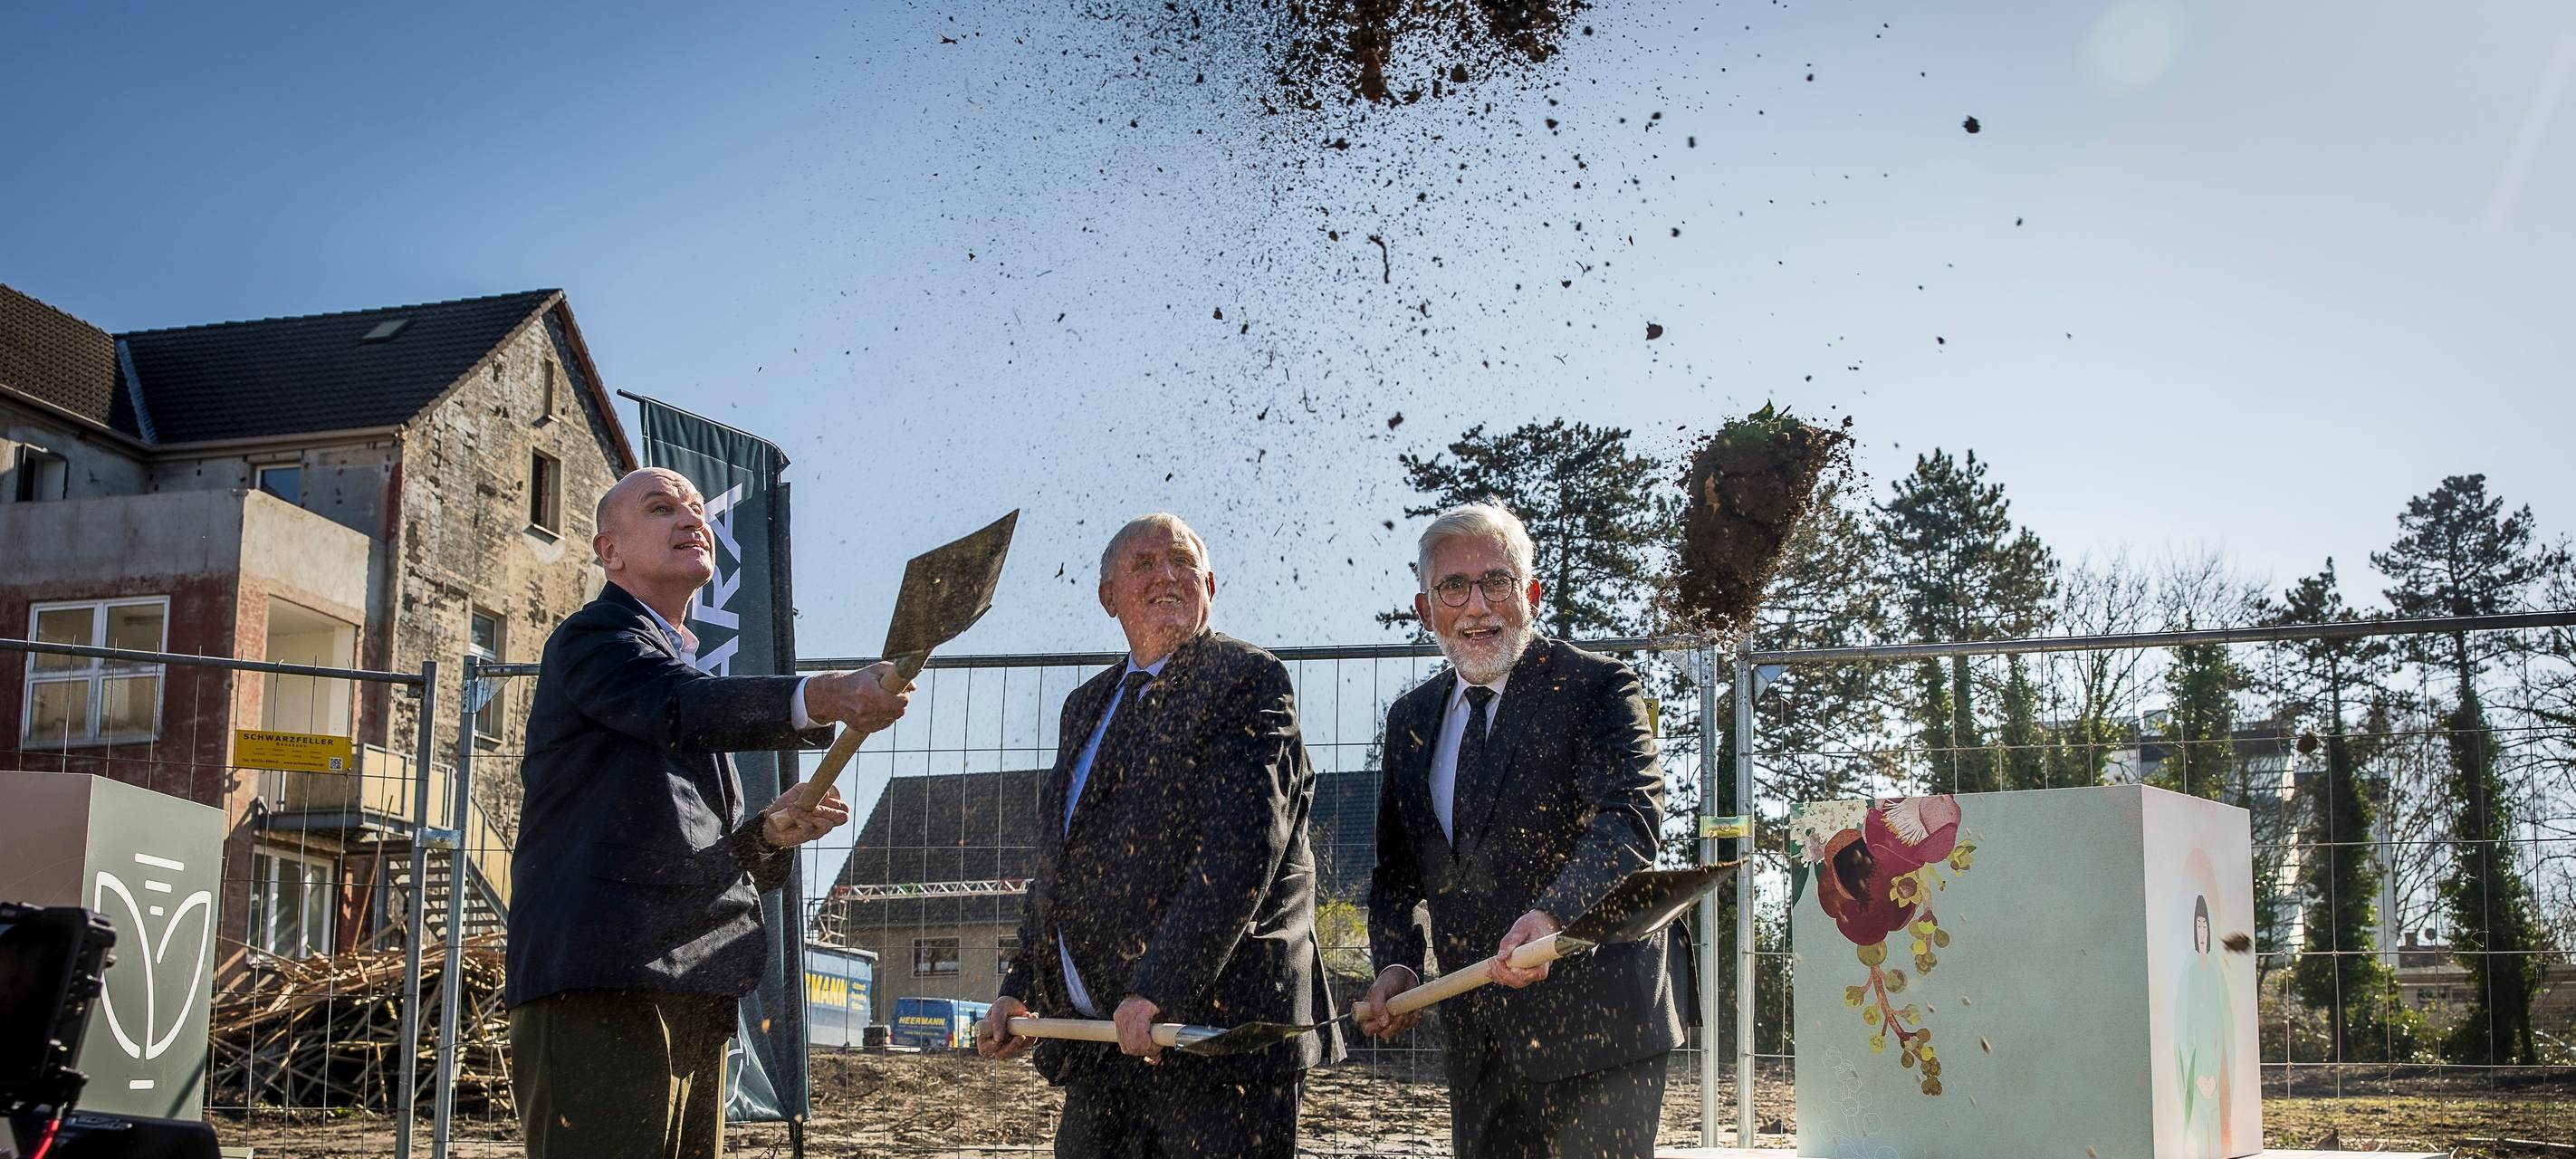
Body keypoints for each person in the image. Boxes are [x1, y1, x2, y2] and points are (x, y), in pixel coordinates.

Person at [506, 467, 910, 1159]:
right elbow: (677, 705)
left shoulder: (677, 672)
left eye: (697, 510)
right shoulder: (594, 640)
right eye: (662, 508)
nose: (692, 519)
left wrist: (766, 836)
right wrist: (821, 696)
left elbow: (687, 852)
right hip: (606, 990)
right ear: (610, 552)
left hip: (687, 986)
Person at [977, 513, 1341, 1157]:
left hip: (1213, 1040)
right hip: (1104, 1044)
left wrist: (1159, 988)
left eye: (1183, 563)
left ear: (1210, 586)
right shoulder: (1085, 707)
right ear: (1107, 596)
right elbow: (1057, 867)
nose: (1167, 575)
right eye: (1144, 564)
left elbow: (1240, 851)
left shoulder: (1244, 678)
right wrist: (1018, 986)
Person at [1359, 501, 1677, 1159]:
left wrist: (1552, 914)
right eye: (1453, 587)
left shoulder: (1596, 687)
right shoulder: (1409, 720)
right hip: (1478, 1041)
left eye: (1496, 582)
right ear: (1425, 611)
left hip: (1597, 1031)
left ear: (1528, 594)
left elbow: (1627, 819)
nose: (1477, 607)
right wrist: (1395, 962)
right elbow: (1394, 874)